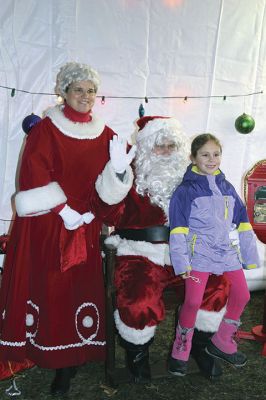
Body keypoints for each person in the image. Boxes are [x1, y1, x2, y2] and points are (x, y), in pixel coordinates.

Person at [0, 62, 135, 396]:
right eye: (78, 90)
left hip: (87, 226)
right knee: (54, 291)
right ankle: (58, 363)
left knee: (81, 289)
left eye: (91, 91)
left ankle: (75, 356)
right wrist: (64, 210)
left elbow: (110, 183)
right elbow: (34, 173)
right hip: (52, 225)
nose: (85, 96)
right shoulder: (46, 129)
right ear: (64, 92)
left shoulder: (105, 133)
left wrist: (118, 176)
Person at [90, 117, 231, 383]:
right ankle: (137, 354)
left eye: (171, 146)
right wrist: (117, 174)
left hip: (186, 252)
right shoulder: (130, 173)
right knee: (139, 297)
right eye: (159, 146)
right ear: (145, 149)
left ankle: (198, 348)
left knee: (217, 286)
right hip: (140, 252)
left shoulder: (192, 176)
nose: (166, 152)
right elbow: (104, 209)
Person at [168, 133, 260, 376]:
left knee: (242, 296)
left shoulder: (227, 187)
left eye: (216, 154)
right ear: (193, 157)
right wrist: (182, 262)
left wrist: (249, 257)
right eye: (205, 155)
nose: (211, 159)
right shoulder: (185, 191)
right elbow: (177, 229)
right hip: (198, 256)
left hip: (226, 255)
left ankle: (222, 341)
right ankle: (181, 347)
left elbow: (242, 222)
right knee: (193, 302)